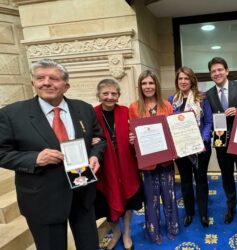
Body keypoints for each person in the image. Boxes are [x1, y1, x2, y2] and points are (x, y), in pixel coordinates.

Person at [0, 59, 106, 250]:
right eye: (40, 78)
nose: (46, 82)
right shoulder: (11, 114)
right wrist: (34, 159)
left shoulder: (84, 108)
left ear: (66, 86)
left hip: (83, 194)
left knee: (89, 245)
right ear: (33, 83)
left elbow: (99, 140)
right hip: (43, 198)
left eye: (53, 78)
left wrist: (95, 156)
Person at [128, 70, 179, 244]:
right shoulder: (134, 107)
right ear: (140, 86)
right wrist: (132, 138)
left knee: (169, 195)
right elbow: (131, 131)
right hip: (147, 162)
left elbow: (172, 130)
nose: (148, 87)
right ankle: (153, 232)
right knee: (151, 199)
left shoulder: (166, 105)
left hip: (165, 160)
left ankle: (172, 226)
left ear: (156, 85)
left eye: (151, 83)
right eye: (144, 83)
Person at [93, 79, 143, 250]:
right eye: (105, 93)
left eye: (114, 93)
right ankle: (116, 233)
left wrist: (133, 138)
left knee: (129, 201)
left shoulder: (125, 111)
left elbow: (135, 131)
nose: (109, 97)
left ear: (118, 95)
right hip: (105, 168)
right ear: (98, 95)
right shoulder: (92, 114)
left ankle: (127, 232)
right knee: (108, 201)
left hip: (127, 165)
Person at [206, 57, 237, 224]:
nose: (217, 73)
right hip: (220, 141)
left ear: (227, 71)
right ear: (210, 75)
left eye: (220, 70)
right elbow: (208, 119)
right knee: (226, 176)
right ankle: (231, 207)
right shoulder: (208, 94)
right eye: (213, 71)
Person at [167, 67, 213, 227]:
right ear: (177, 81)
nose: (183, 81)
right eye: (180, 79)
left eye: (186, 78)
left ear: (192, 80)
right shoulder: (171, 101)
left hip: (201, 148)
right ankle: (189, 212)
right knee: (185, 181)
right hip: (181, 149)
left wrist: (203, 140)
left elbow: (208, 122)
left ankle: (203, 213)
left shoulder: (201, 98)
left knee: (201, 181)